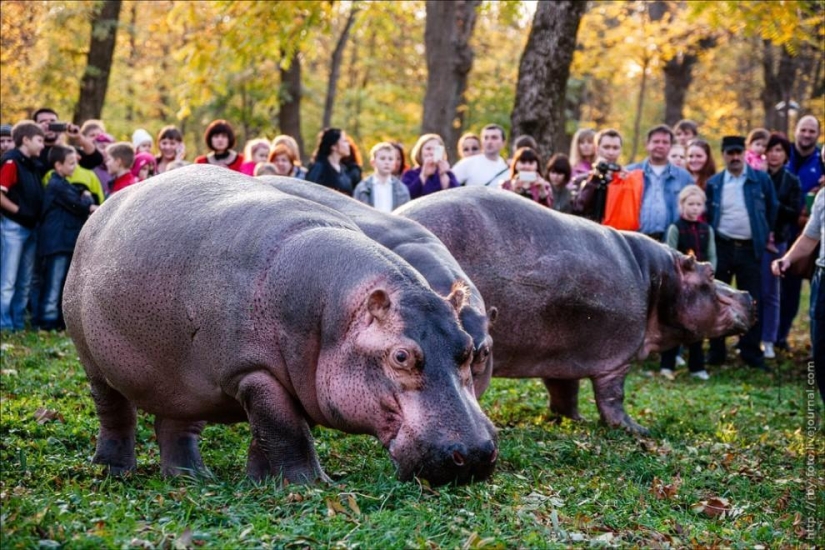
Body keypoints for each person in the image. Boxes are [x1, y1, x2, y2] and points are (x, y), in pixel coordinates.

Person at [705, 135, 778, 371]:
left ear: (744, 153)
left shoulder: (760, 180)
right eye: (730, 153)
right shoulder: (714, 183)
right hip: (722, 246)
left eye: (738, 152)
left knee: (752, 301)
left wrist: (765, 233)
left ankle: (750, 352)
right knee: (717, 299)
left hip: (749, 249)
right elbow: (708, 213)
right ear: (723, 154)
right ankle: (716, 352)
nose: (735, 157)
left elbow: (772, 209)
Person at [36, 144, 98, 331]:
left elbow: (75, 197)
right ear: (58, 165)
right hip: (58, 242)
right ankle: (47, 320)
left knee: (62, 281)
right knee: (54, 281)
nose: (74, 167)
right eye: (70, 163)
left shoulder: (62, 184)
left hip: (64, 241)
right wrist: (86, 198)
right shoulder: (56, 185)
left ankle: (57, 320)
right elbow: (78, 204)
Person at [772, 187, 825, 405]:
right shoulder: (823, 196)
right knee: (821, 349)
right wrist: (788, 259)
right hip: (823, 278)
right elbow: (810, 237)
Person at [659, 185, 717, 381]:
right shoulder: (675, 228)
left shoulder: (706, 230)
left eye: (698, 204)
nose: (694, 208)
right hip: (679, 286)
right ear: (682, 205)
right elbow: (669, 255)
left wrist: (707, 279)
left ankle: (697, 367)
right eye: (690, 204)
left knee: (697, 326)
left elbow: (712, 257)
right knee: (673, 324)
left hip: (700, 288)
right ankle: (667, 364)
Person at [776, 115, 824, 352]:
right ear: (796, 130)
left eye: (811, 131)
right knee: (788, 290)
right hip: (789, 232)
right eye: (803, 130)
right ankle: (778, 336)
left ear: (817, 135)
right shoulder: (785, 154)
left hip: (814, 236)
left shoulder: (818, 159)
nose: (806, 134)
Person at [0, 121, 46, 331]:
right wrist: (19, 211)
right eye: (39, 140)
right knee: (8, 279)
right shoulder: (11, 162)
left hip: (31, 228)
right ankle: (4, 323)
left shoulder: (33, 164)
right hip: (14, 228)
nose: (43, 145)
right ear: (26, 140)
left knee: (24, 280)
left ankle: (18, 322)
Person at [760, 133, 802, 359]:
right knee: (754, 289)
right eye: (771, 149)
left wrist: (774, 204)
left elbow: (794, 212)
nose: (774, 154)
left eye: (779, 150)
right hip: (755, 240)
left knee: (771, 292)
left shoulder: (791, 181)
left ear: (786, 155)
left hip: (778, 241)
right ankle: (750, 337)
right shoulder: (757, 176)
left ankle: (769, 339)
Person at [626, 125, 694, 241]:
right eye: (656, 141)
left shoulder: (684, 177)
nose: (660, 145)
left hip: (669, 240)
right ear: (647, 144)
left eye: (665, 142)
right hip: (635, 238)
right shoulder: (630, 172)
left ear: (670, 146)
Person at [33, 108, 102, 172]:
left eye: (52, 122)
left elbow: (96, 159)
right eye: (43, 122)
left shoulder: (69, 151)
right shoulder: (32, 152)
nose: (48, 125)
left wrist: (79, 137)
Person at [353, 142, 411, 212]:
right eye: (382, 158)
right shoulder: (362, 188)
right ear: (373, 162)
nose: (387, 162)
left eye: (390, 159)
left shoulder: (402, 189)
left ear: (394, 163)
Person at [401, 133, 458, 199]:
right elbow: (407, 196)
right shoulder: (410, 174)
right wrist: (423, 176)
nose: (431, 152)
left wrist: (443, 175)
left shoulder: (448, 174)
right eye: (428, 149)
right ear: (420, 151)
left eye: (436, 149)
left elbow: (455, 195)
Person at [305, 128, 354, 195]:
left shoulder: (344, 170)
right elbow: (309, 192)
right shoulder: (319, 168)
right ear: (333, 146)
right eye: (345, 141)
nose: (348, 144)